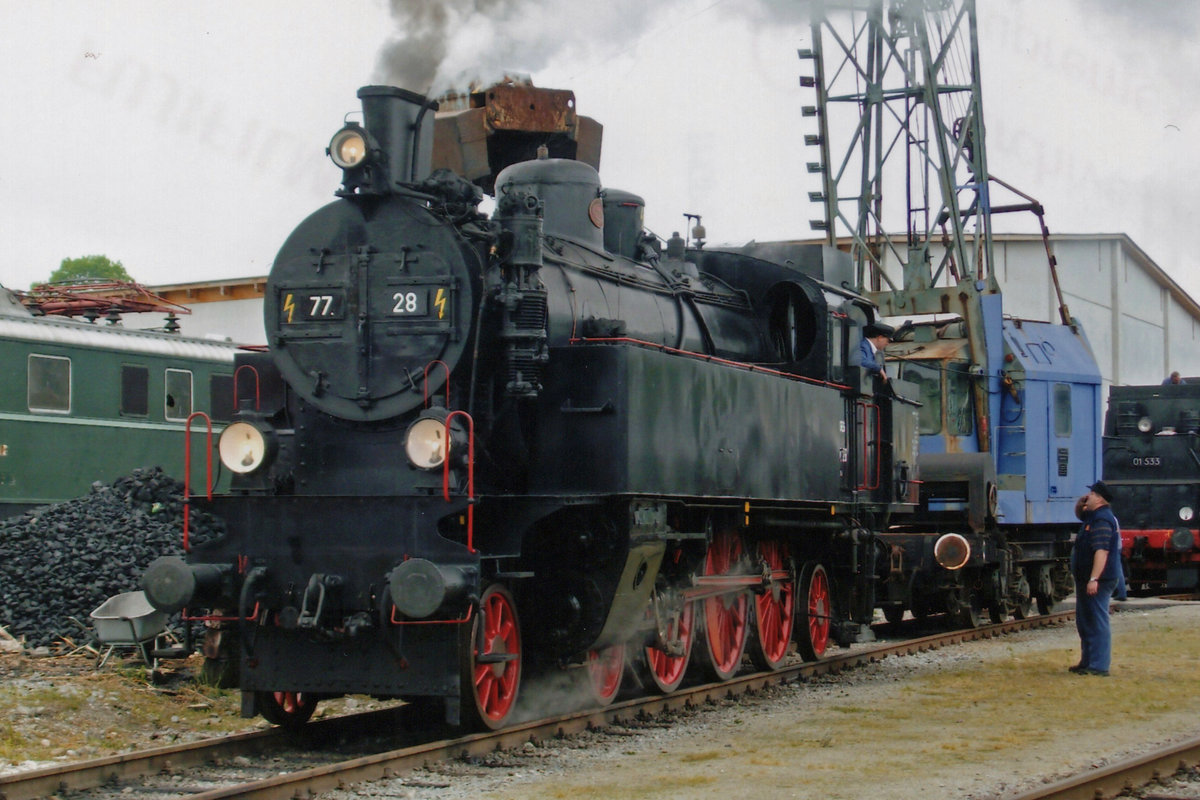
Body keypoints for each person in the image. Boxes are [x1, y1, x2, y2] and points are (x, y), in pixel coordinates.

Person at [1069, 481, 1124, 676]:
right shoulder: (1093, 517)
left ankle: (1099, 666)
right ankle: (1087, 661)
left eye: (1091, 494)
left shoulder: (1102, 520)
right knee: (1085, 621)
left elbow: (1101, 551)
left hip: (1099, 580)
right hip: (1087, 578)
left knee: (1097, 620)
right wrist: (1080, 503)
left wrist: (1094, 578)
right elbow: (1080, 513)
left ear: (1100, 498)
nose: (1088, 497)